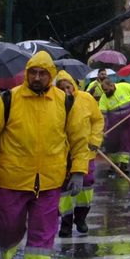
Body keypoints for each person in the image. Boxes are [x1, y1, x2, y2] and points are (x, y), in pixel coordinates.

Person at [0, 50, 91, 259]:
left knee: (42, 236)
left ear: (51, 75)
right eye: (33, 72)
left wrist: (79, 171)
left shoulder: (65, 103)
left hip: (49, 183)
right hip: (12, 181)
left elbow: (80, 140)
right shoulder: (8, 100)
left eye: (42, 73)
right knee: (8, 230)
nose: (37, 77)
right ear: (27, 74)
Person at [54, 70, 104, 238]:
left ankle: (81, 217)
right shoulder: (53, 103)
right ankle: (66, 223)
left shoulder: (86, 99)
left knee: (87, 184)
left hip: (85, 151)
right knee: (64, 190)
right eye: (61, 88)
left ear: (73, 85)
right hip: (61, 154)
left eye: (68, 86)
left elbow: (97, 120)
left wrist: (95, 140)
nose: (66, 91)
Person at [97, 70, 130, 172]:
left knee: (126, 142)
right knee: (112, 144)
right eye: (103, 90)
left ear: (112, 86)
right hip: (114, 125)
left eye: (107, 90)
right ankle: (114, 164)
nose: (105, 92)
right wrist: (103, 129)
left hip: (129, 122)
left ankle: (123, 164)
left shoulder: (125, 87)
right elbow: (102, 116)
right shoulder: (104, 98)